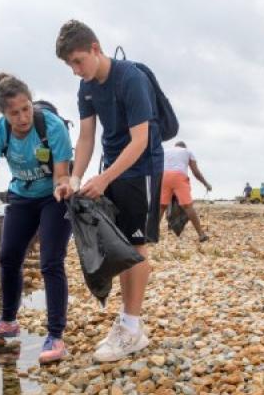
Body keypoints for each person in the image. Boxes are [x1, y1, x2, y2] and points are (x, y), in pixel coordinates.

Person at [55, 19, 161, 362]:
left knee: (137, 244)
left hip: (141, 166)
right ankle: (129, 323)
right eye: (70, 64)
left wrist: (104, 179)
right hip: (113, 167)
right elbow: (86, 137)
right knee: (118, 242)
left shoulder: (131, 78)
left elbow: (141, 139)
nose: (75, 70)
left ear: (95, 49)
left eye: (77, 61)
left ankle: (131, 327)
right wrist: (75, 179)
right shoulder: (86, 88)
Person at [0, 73, 74, 364]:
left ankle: (55, 335)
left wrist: (63, 187)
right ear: (3, 113)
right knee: (8, 257)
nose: (23, 117)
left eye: (26, 108)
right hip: (22, 195)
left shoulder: (51, 126)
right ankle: (7, 321)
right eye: (14, 113)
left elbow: (62, 174)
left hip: (55, 195)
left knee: (51, 261)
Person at [159, 141, 212, 242]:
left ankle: (152, 234)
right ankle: (201, 234)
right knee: (188, 206)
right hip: (179, 177)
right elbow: (195, 172)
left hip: (164, 177)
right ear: (184, 147)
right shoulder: (187, 152)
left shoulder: (165, 151)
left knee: (162, 206)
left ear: (175, 146)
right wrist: (206, 184)